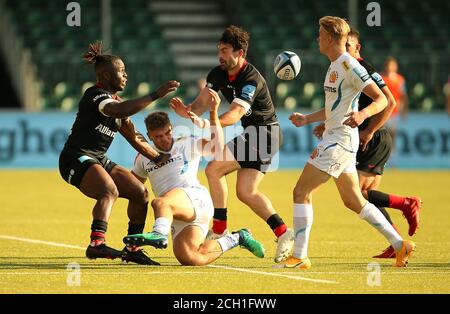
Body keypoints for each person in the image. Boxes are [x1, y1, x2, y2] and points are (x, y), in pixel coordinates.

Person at [283, 16, 415, 269]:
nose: (317, 39)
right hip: (339, 139)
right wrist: (307, 119)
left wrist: (363, 114)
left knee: (301, 192)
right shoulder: (335, 64)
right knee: (354, 200)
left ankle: (299, 255)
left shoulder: (348, 65)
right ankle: (400, 244)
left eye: (320, 34)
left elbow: (382, 99)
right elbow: (335, 107)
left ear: (331, 38)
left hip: (339, 141)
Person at [170, 25, 293, 263]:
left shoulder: (251, 79)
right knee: (246, 192)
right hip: (260, 135)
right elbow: (198, 106)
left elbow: (235, 114)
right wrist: (185, 111)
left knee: (214, 169)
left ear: (240, 53)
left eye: (225, 50)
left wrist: (207, 124)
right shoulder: (217, 74)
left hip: (263, 134)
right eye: (219, 50)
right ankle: (283, 232)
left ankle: (220, 228)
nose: (220, 55)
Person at [58, 41, 180, 265]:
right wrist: (155, 94)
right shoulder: (95, 96)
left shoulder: (118, 103)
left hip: (98, 159)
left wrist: (159, 157)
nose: (126, 75)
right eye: (121, 71)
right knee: (109, 190)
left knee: (140, 193)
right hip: (75, 157)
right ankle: (96, 244)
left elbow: (134, 138)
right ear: (105, 75)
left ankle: (132, 249)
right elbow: (118, 110)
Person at [313, 28, 422, 258]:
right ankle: (397, 243)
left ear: (357, 48)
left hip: (373, 137)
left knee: (358, 195)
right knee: (366, 195)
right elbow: (342, 104)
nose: (345, 51)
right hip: (367, 137)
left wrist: (370, 129)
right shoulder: (344, 68)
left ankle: (407, 204)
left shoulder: (363, 70)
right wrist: (327, 123)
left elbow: (389, 102)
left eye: (349, 47)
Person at [122, 92, 265, 266]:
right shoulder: (143, 157)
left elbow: (217, 147)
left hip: (195, 199)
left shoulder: (186, 143)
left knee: (160, 203)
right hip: (176, 213)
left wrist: (213, 112)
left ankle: (159, 233)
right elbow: (133, 189)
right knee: (190, 257)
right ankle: (238, 238)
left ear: (171, 129)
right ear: (149, 135)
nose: (165, 139)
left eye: (167, 133)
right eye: (158, 136)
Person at [381, 56, 409, 153]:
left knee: (392, 136)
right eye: (388, 65)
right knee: (382, 136)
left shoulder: (400, 80)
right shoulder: (381, 78)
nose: (390, 67)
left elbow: (403, 97)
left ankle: (392, 157)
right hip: (382, 111)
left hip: (394, 112)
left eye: (392, 65)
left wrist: (404, 110)